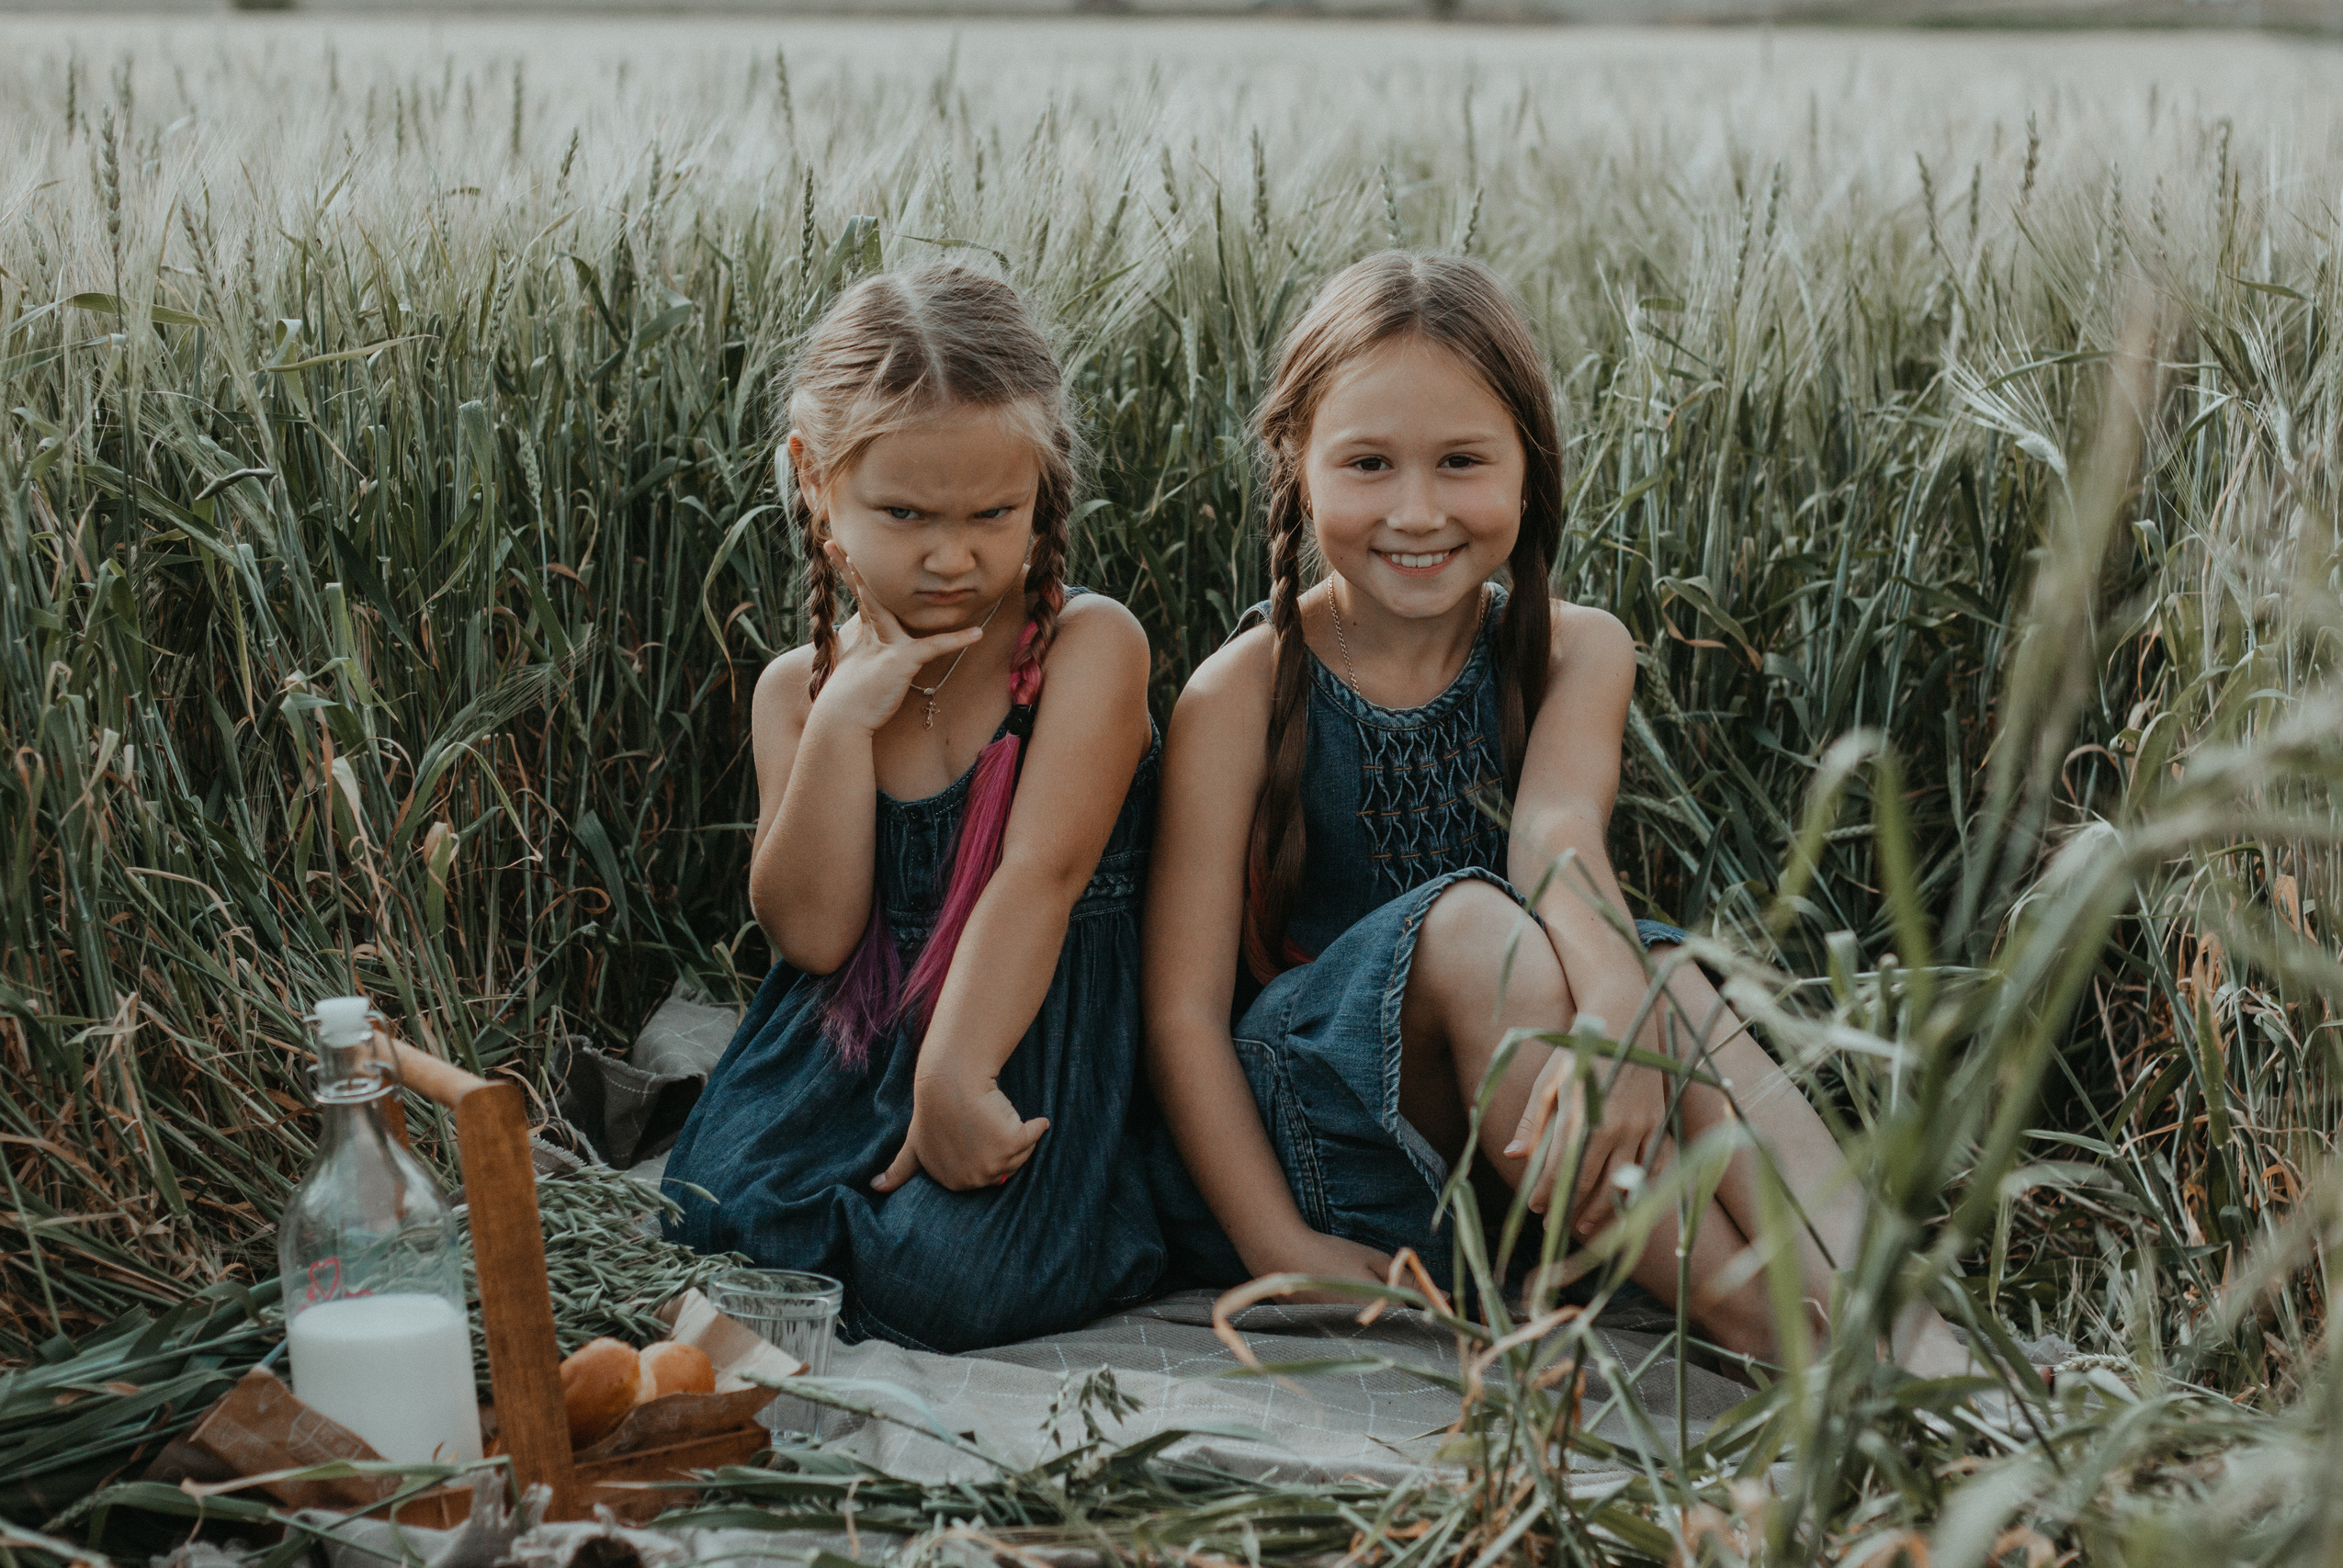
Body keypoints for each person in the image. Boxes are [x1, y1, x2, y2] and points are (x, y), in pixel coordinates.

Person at [1142, 250, 1969, 1373]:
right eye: (1369, 463)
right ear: (1295, 464)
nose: (1418, 510)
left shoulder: (1576, 650)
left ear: (1530, 467)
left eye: (1462, 462)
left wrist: (1623, 1017)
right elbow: (1184, 1016)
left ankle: (1905, 1343)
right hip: (1329, 1155)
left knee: (1671, 982)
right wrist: (1283, 1245)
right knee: (1477, 932)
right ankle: (1770, 1339)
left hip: (1529, 1160)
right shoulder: (1239, 691)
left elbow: (1554, 841)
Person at [662, 264, 1163, 1354]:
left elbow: (1041, 874)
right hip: (842, 1045)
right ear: (814, 481)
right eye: (905, 514)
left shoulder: (1088, 649)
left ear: (1045, 485)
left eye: (995, 513)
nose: (952, 554)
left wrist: (952, 1073)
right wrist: (843, 724)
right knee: (704, 1215)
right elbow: (814, 934)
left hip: (1018, 1027)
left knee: (951, 1284)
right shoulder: (797, 692)